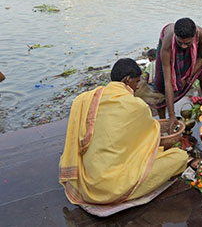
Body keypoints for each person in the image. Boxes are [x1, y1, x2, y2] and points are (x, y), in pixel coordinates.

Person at [59, 58, 188, 206]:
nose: (138, 86)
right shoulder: (135, 105)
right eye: (137, 81)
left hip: (87, 182)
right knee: (179, 157)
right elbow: (151, 136)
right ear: (127, 80)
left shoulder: (86, 99)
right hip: (113, 188)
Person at [154, 18, 202, 131]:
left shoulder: (201, 34)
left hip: (195, 55)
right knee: (160, 83)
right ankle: (164, 121)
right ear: (176, 36)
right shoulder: (167, 42)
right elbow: (168, 81)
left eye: (187, 43)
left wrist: (188, 76)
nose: (183, 46)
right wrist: (172, 115)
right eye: (180, 42)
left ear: (194, 36)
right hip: (169, 49)